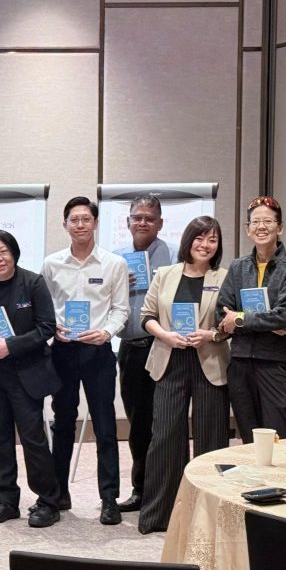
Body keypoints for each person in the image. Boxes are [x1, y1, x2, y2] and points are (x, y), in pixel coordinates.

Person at [0, 230, 62, 527]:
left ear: (14, 252)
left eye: (2, 251)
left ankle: (48, 502)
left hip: (26, 375)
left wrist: (11, 346)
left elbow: (46, 327)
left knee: (33, 440)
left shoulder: (33, 283)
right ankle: (5, 500)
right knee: (0, 439)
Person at [139, 216, 231, 534]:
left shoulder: (225, 277)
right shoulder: (165, 274)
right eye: (199, 238)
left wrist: (212, 334)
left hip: (209, 362)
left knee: (211, 440)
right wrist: (165, 335)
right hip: (170, 361)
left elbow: (230, 321)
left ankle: (209, 519)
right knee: (165, 438)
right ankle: (160, 516)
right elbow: (147, 315)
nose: (205, 245)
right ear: (188, 240)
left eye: (212, 240)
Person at [41, 196, 129, 525]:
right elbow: (45, 307)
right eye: (74, 219)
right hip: (63, 351)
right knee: (62, 423)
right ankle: (58, 493)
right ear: (65, 225)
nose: (80, 224)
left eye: (86, 219)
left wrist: (106, 332)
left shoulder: (113, 264)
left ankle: (109, 498)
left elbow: (121, 308)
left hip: (98, 352)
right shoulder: (52, 264)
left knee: (105, 426)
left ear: (95, 223)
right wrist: (54, 328)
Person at [217, 196, 286, 442]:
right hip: (241, 365)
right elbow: (221, 315)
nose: (261, 227)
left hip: (276, 366)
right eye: (255, 222)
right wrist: (265, 323)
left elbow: (285, 316)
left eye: (268, 221)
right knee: (249, 440)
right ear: (248, 229)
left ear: (280, 227)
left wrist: (240, 320)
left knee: (279, 439)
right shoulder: (238, 267)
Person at [112, 195, 177, 513]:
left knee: (165, 422)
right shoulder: (116, 258)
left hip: (163, 347)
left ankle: (166, 490)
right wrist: (117, 286)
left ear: (160, 223)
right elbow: (104, 301)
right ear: (128, 222)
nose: (142, 222)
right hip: (130, 350)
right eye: (137, 217)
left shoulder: (175, 255)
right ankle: (140, 489)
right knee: (138, 423)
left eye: (149, 218)